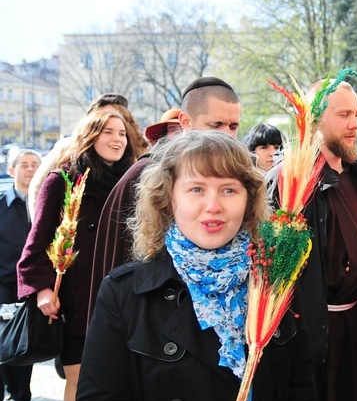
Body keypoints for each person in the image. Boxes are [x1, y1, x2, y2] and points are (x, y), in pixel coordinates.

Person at [75, 131, 325, 401]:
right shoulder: (127, 292)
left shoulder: (271, 283)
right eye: (196, 189)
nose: (213, 206)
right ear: (168, 199)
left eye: (228, 190)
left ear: (249, 200)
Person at [268, 79, 357, 401]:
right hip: (316, 337)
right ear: (315, 118)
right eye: (344, 114)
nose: (354, 124)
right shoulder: (291, 181)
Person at [16, 109, 137, 401]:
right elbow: (35, 244)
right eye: (108, 132)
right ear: (89, 136)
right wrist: (41, 290)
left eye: (123, 133)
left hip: (126, 297)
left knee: (124, 383)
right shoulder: (63, 180)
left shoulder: (134, 179)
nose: (117, 139)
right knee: (79, 383)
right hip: (78, 303)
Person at [88, 76, 242, 323]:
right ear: (185, 122)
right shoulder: (145, 175)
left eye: (233, 126)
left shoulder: (241, 178)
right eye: (216, 125)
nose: (226, 136)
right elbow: (116, 268)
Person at [27, 93, 148, 221]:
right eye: (106, 128)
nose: (113, 120)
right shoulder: (68, 147)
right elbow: (38, 188)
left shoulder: (138, 150)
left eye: (120, 117)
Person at [0, 149, 40, 401]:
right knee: (3, 342)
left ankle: (20, 396)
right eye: (24, 165)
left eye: (35, 164)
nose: (30, 169)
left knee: (27, 345)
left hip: (34, 288)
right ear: (12, 170)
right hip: (3, 287)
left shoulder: (45, 204)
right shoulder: (2, 205)